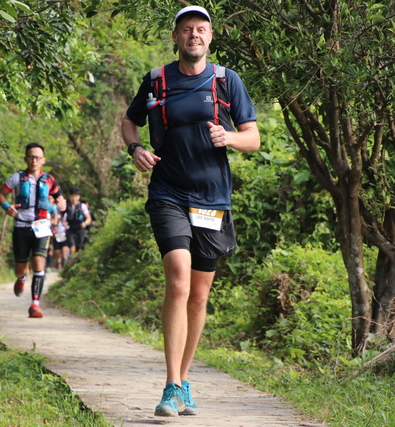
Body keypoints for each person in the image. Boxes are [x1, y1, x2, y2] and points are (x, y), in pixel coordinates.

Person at [120, 5, 261, 418]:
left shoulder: (226, 80)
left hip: (212, 199)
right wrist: (135, 149)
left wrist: (229, 138)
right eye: (186, 29)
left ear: (210, 37)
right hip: (168, 193)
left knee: (199, 295)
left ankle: (183, 382)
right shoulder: (156, 80)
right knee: (179, 280)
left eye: (201, 29)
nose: (194, 35)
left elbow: (253, 137)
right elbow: (129, 121)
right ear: (176, 37)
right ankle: (170, 386)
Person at [0, 142, 66, 318]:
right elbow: (0, 194)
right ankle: (21, 278)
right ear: (26, 159)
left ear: (43, 160)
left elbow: (58, 196)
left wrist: (62, 202)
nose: (34, 160)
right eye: (31, 157)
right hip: (21, 226)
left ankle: (35, 304)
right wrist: (6, 206)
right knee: (21, 269)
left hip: (42, 226)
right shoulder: (17, 178)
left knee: (39, 262)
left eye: (37, 157)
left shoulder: (49, 180)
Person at [63, 187, 92, 255]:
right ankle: (71, 259)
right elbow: (60, 216)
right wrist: (63, 222)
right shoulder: (66, 205)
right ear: (69, 196)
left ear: (79, 197)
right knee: (72, 247)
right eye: (72, 196)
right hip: (70, 229)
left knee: (80, 247)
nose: (74, 198)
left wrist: (85, 223)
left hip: (80, 228)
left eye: (76, 196)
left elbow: (88, 218)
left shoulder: (82, 206)